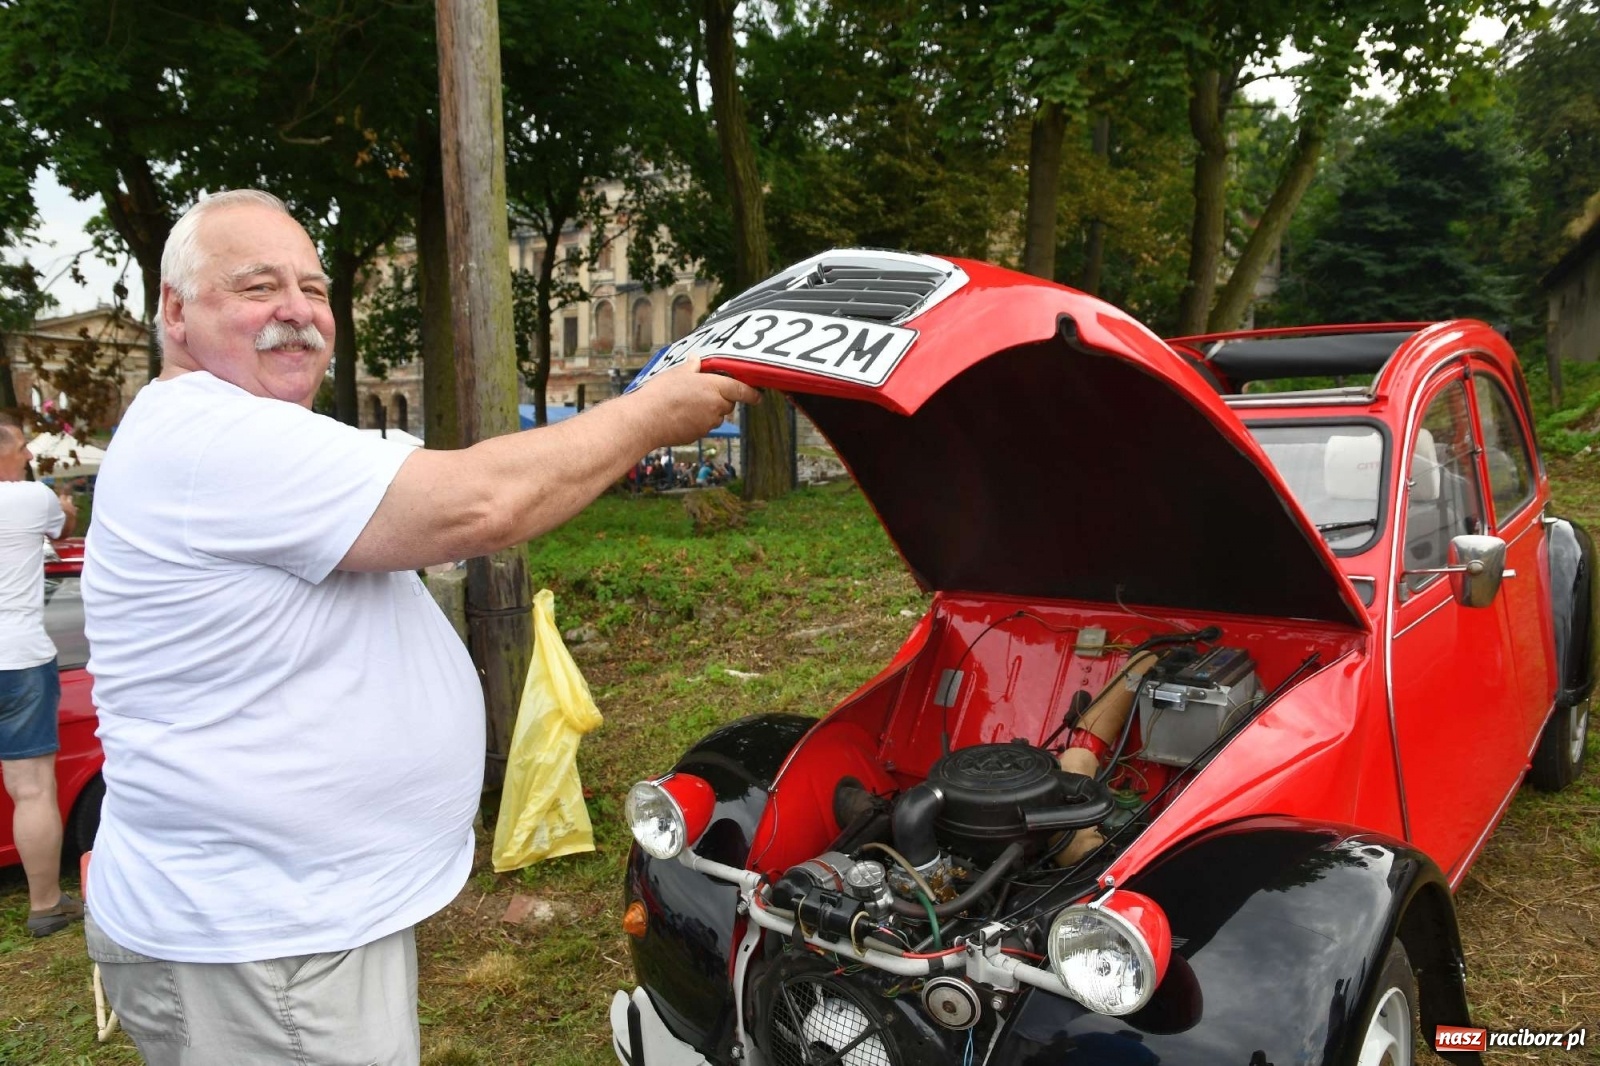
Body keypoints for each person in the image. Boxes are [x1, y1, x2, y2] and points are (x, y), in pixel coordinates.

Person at [79, 189, 759, 1066]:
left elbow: (447, 490)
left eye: (314, 288)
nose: (297, 311)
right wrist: (655, 412)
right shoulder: (209, 438)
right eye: (257, 286)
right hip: (260, 943)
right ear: (175, 311)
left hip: (292, 927)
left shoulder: (251, 434)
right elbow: (483, 502)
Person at [0, 419, 83, 937]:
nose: (30, 450)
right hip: (19, 655)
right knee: (31, 789)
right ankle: (46, 903)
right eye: (22, 444)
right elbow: (63, 531)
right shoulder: (30, 499)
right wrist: (69, 508)